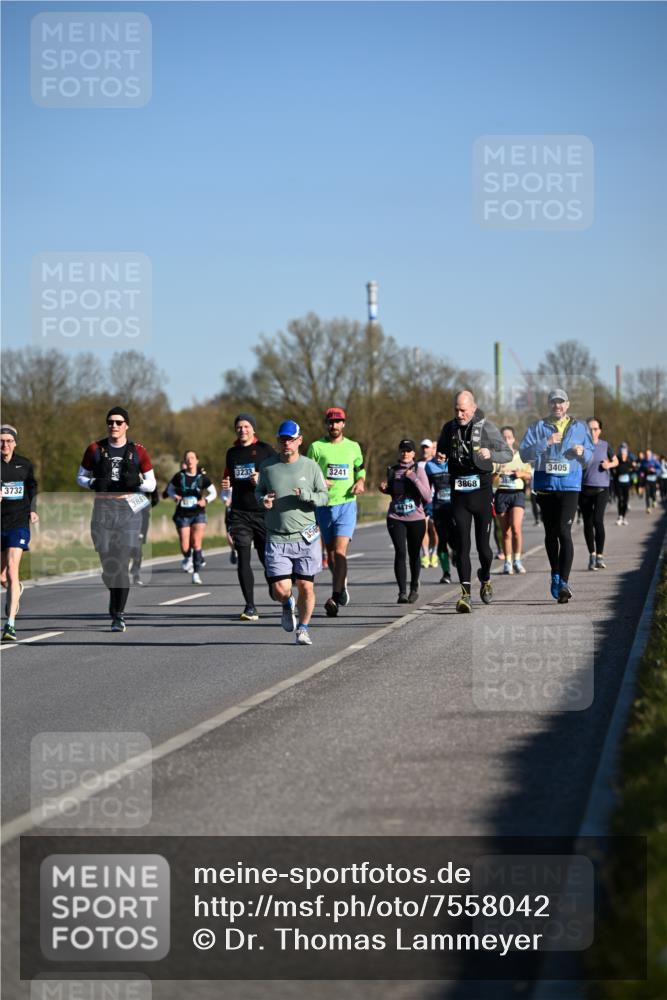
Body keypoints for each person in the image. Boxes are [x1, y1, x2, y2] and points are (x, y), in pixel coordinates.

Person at [77, 407, 156, 631]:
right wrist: (92, 483)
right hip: (103, 508)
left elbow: (151, 484)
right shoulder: (95, 449)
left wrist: (136, 482)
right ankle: (115, 594)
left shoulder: (138, 451)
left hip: (128, 508)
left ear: (126, 425)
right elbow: (80, 476)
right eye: (110, 421)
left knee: (121, 563)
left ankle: (118, 614)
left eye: (119, 422)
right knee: (108, 565)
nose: (114, 425)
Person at [437, 391, 512, 613]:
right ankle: (465, 595)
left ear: (473, 407)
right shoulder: (448, 428)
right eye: (456, 410)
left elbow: (507, 453)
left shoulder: (486, 427)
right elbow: (441, 451)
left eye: (463, 410)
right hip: (459, 492)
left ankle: (485, 577)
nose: (459, 414)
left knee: (484, 549)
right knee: (462, 545)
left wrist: (491, 454)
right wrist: (440, 457)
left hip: (481, 491)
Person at [255, 419, 328, 645]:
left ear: (299, 441)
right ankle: (287, 605)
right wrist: (263, 500)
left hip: (305, 537)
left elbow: (324, 497)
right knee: (281, 589)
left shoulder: (311, 467)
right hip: (277, 536)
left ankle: (304, 629)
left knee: (306, 587)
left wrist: (307, 496)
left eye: (290, 439)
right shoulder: (267, 467)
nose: (286, 443)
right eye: (282, 440)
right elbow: (258, 493)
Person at [519, 389, 593, 604]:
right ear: (549, 405)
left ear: (567, 404)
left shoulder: (580, 428)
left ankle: (564, 583)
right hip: (545, 486)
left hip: (570, 486)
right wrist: (546, 442)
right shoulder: (537, 427)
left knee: (564, 531)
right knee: (551, 534)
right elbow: (524, 453)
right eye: (554, 403)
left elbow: (590, 457)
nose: (557, 406)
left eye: (561, 402)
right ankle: (555, 573)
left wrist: (583, 452)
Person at [307, 406, 365, 617]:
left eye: (338, 422)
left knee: (340, 552)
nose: (334, 425)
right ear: (327, 424)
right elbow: (307, 473)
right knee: (330, 556)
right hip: (323, 506)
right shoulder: (316, 447)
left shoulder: (353, 447)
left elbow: (360, 468)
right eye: (330, 422)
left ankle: (335, 595)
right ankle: (342, 586)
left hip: (347, 503)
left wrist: (360, 480)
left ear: (343, 424)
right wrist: (319, 481)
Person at [222, 414, 276, 620]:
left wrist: (262, 479)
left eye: (246, 426)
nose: (242, 430)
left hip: (262, 511)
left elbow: (277, 476)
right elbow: (228, 477)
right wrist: (227, 484)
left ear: (253, 429)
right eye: (239, 427)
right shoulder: (232, 453)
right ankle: (250, 606)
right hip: (240, 513)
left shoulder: (265, 450)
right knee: (243, 558)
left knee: (266, 558)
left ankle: (274, 584)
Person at [380, 439, 434, 603]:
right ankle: (402, 592)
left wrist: (413, 478)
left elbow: (427, 496)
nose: (405, 453)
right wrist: (384, 489)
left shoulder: (419, 470)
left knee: (413, 554)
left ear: (413, 454)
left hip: (416, 518)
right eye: (402, 450)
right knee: (400, 552)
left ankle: (414, 588)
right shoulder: (392, 470)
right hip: (396, 517)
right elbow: (393, 492)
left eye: (408, 450)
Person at [1, 425, 38, 642]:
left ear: (15, 443)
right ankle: (17, 590)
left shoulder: (24, 464)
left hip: (18, 523)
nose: (4, 445)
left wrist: (33, 510)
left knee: (13, 570)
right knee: (2, 576)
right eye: (1, 441)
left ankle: (10, 624)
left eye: (8, 441)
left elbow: (32, 488)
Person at [166, 451, 216, 584]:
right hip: (183, 514)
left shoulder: (202, 477)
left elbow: (213, 492)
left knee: (196, 542)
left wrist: (205, 501)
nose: (190, 461)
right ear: (184, 461)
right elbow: (169, 490)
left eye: (192, 458)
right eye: (187, 458)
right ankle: (188, 557)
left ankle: (196, 573)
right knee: (185, 545)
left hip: (198, 513)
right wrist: (174, 496)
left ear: (197, 461)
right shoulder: (179, 476)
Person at [493, 426, 533, 575]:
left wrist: (520, 473)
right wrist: (498, 472)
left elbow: (529, 475)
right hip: (501, 494)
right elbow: (491, 480)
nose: (506, 440)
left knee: (516, 528)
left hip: (517, 494)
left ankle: (517, 560)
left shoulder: (521, 456)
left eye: (508, 437)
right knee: (506, 532)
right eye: (503, 437)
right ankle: (507, 562)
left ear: (513, 439)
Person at [580, 418, 617, 570]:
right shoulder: (581, 446)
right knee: (588, 523)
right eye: (590, 429)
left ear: (600, 430)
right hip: (584, 488)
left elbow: (616, 461)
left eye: (595, 429)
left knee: (597, 520)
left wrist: (609, 464)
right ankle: (592, 555)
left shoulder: (605, 445)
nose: (592, 432)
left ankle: (600, 556)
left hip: (602, 488)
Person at [424, 449, 457, 584]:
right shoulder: (429, 466)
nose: (440, 456)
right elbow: (426, 489)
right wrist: (427, 506)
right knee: (442, 540)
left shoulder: (454, 464)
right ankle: (446, 573)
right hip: (438, 509)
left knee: (456, 541)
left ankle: (455, 552)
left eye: (442, 453)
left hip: (455, 509)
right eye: (437, 453)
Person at [129, 486, 160, 585]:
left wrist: (146, 507)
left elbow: (155, 499)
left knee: (137, 547)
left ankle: (136, 574)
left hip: (142, 518)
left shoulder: (148, 480)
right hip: (124, 517)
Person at [417, 439, 439, 570]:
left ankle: (434, 553)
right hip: (421, 501)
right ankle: (425, 555)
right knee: (422, 529)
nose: (425, 450)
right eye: (423, 447)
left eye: (427, 447)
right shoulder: (417, 464)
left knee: (435, 529)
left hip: (435, 500)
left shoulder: (435, 464)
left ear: (432, 450)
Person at [613, 443, 633, 525]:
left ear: (627, 454)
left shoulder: (629, 461)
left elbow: (632, 470)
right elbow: (614, 470)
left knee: (625, 501)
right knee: (620, 500)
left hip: (627, 484)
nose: (623, 455)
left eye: (625, 454)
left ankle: (624, 517)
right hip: (619, 484)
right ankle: (620, 516)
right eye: (622, 454)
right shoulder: (617, 460)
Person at [639, 449, 661, 513]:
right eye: (646, 454)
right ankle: (648, 507)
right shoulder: (643, 461)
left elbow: (659, 469)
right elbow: (640, 470)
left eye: (648, 454)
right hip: (647, 480)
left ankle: (654, 500)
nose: (647, 455)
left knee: (653, 493)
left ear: (651, 455)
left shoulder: (654, 461)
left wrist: (655, 470)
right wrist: (641, 474)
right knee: (647, 494)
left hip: (653, 479)